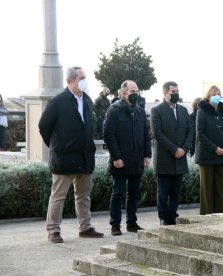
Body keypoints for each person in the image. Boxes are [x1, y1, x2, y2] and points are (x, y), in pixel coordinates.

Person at [38, 66, 104, 243]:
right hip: (64, 157)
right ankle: (53, 231)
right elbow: (44, 126)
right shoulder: (57, 102)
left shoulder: (88, 100)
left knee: (83, 195)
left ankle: (85, 227)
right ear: (71, 80)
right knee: (58, 196)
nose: (85, 80)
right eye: (82, 77)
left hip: (84, 156)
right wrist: (55, 146)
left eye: (85, 76)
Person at [104, 80, 152, 236]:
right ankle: (115, 225)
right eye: (132, 92)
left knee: (134, 193)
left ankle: (131, 223)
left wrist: (147, 155)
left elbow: (146, 135)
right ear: (123, 93)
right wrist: (116, 157)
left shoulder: (139, 111)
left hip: (136, 160)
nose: (135, 94)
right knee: (118, 193)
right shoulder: (114, 110)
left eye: (137, 91)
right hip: (120, 161)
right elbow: (109, 136)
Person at [150, 81, 192, 225]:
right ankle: (163, 217)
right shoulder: (157, 111)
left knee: (175, 191)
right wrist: (175, 149)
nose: (176, 94)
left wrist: (184, 149)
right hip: (164, 158)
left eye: (177, 91)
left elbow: (190, 132)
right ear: (165, 93)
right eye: (173, 91)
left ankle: (173, 215)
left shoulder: (183, 110)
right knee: (163, 191)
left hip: (180, 158)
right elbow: (157, 134)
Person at [195, 86, 223, 215]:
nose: (217, 96)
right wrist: (215, 148)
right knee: (207, 189)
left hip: (222, 155)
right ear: (208, 96)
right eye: (214, 94)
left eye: (219, 94)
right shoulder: (202, 111)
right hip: (207, 155)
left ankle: (219, 215)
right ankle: (206, 216)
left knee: (220, 188)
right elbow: (200, 134)